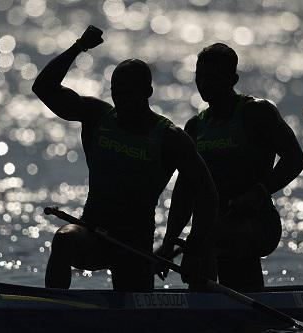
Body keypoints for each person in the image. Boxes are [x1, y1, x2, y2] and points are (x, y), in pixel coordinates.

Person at [32, 26, 219, 292]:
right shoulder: (97, 117)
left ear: (148, 93)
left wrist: (188, 246)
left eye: (130, 94)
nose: (122, 101)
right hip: (93, 234)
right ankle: (53, 311)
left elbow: (206, 192)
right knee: (64, 239)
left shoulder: (169, 137)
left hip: (135, 246)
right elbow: (43, 87)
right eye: (117, 93)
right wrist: (78, 47)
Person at [158, 43, 303, 292]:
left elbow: (295, 160)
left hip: (255, 221)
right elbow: (185, 189)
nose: (205, 84)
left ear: (233, 79)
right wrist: (168, 242)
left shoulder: (257, 112)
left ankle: (244, 313)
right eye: (200, 77)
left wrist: (259, 191)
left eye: (214, 78)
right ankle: (207, 308)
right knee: (200, 244)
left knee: (214, 240)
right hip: (209, 228)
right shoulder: (195, 126)